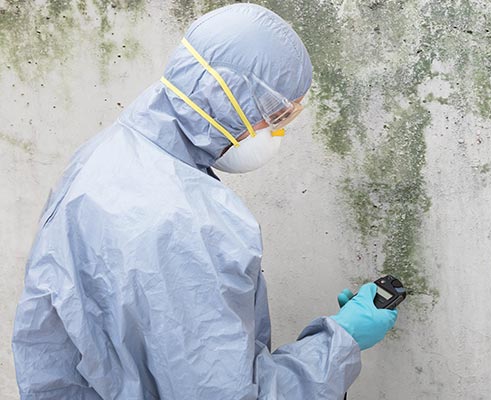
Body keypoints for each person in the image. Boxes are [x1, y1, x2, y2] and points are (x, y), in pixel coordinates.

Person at [11, 4, 398, 399]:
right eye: (277, 116)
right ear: (229, 95)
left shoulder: (103, 154)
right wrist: (339, 341)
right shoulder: (191, 223)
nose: (277, 132)